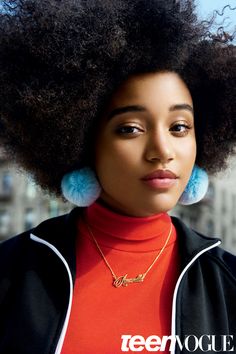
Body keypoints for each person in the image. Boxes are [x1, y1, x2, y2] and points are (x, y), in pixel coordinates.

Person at [0, 0, 235, 353]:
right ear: (80, 142)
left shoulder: (227, 281)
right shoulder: (10, 272)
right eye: (130, 128)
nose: (162, 149)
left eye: (179, 127)